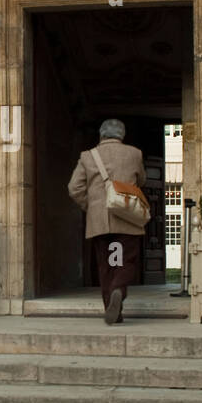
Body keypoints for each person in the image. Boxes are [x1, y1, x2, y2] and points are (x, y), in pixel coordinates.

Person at [67, 119, 147, 325]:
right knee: (124, 259)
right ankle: (118, 290)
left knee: (108, 263)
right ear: (122, 135)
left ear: (101, 135)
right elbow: (142, 180)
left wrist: (91, 206)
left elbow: (74, 188)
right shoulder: (134, 153)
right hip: (126, 217)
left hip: (100, 221)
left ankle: (113, 310)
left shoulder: (87, 156)